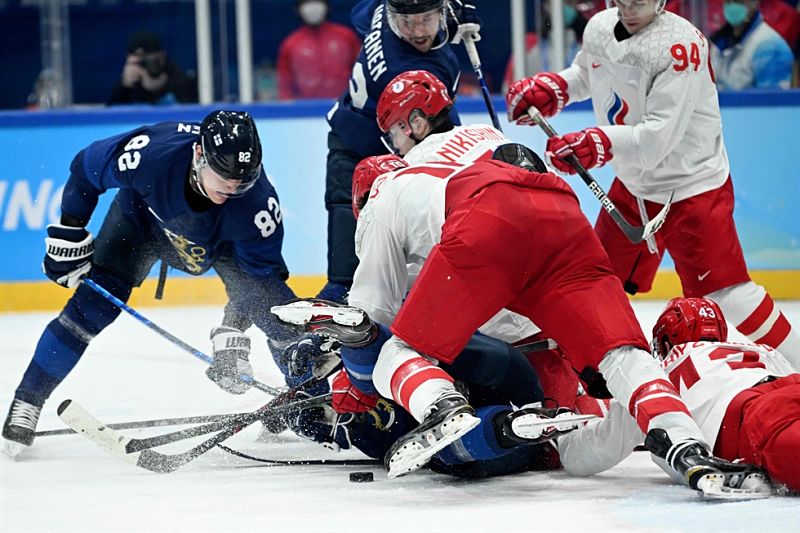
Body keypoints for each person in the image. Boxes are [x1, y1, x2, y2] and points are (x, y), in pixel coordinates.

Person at [270, 72, 768, 497]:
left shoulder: (393, 188)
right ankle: (685, 446)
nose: (394, 145)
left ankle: (444, 406)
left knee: (398, 357)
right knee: (622, 359)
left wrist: (355, 376)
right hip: (559, 217)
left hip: (491, 247)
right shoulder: (486, 138)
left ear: (415, 124)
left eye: (394, 132)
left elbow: (373, 311)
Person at [0, 111, 319, 456]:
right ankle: (27, 401)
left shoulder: (257, 210)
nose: (231, 190)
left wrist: (232, 331)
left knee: (280, 317)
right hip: (139, 226)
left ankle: (308, 401)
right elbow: (85, 167)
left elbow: (258, 283)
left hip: (221, 247)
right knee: (86, 313)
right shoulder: (152, 153)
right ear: (199, 155)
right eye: (223, 178)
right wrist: (70, 232)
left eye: (242, 182)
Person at [505, 0, 800, 365]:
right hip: (634, 186)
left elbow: (659, 138)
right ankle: (605, 373)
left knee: (727, 294)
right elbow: (588, 73)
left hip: (690, 187)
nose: (629, 8)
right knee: (596, 280)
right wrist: (557, 89)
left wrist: (599, 142)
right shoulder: (599, 26)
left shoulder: (681, 46)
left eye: (639, 1)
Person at [318, 0, 479, 303]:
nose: (418, 31)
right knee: (348, 279)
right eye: (408, 22)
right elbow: (437, 137)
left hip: (360, 140)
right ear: (393, 19)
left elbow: (359, 13)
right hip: (364, 160)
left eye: (426, 20)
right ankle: (317, 343)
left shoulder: (382, 11)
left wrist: (452, 21)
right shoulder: (409, 73)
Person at [556, 297, 797, 495]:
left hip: (757, 417)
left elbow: (596, 449)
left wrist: (561, 440)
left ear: (663, 340)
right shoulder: (758, 350)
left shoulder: (653, 373)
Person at [276, 0, 362, 100]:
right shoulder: (291, 44)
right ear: (298, 9)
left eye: (317, 2)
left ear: (327, 6)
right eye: (307, 3)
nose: (313, 8)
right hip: (306, 108)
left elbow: (361, 70)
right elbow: (284, 85)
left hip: (345, 105)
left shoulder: (346, 36)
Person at [710, 0, 794, 90]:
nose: (733, 5)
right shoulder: (718, 43)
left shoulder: (771, 46)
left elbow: (773, 101)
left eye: (738, 2)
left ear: (755, 2)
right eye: (729, 1)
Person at [107, 30, 198, 105]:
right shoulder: (130, 85)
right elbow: (109, 118)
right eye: (138, 62)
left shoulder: (180, 80)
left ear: (162, 56)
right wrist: (124, 86)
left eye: (148, 61)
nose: (143, 67)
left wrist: (158, 90)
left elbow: (188, 114)